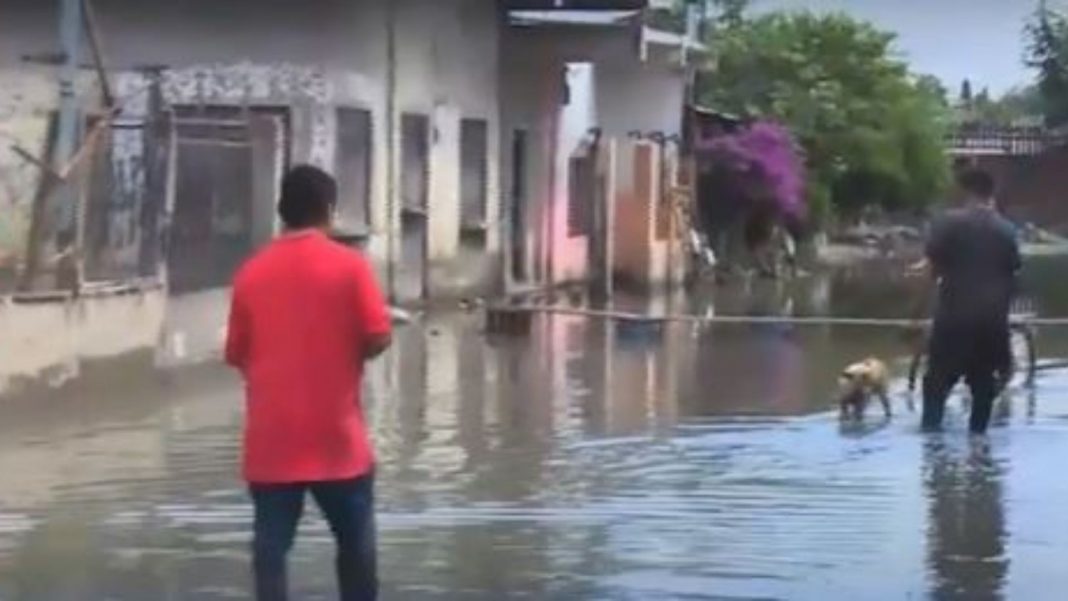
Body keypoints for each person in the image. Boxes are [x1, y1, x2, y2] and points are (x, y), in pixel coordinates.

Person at [225, 165, 392, 601]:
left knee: (270, 551)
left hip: (272, 444)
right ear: (328, 211)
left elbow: (237, 354)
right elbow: (377, 336)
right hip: (338, 442)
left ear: (282, 211)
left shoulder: (250, 274)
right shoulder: (350, 268)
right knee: (356, 547)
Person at [919, 167, 1020, 434]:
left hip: (953, 318)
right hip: (991, 321)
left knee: (936, 387)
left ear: (965, 191)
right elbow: (1012, 274)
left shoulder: (947, 223)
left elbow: (931, 270)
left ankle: (933, 455)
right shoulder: (1007, 230)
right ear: (990, 193)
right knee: (983, 388)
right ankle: (979, 452)